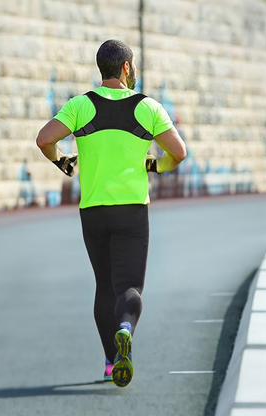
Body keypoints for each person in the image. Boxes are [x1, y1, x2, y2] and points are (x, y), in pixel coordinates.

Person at [36, 39, 186, 387]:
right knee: (129, 286)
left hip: (93, 210)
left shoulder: (79, 106)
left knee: (104, 286)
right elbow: (178, 152)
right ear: (126, 68)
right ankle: (125, 328)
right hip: (132, 210)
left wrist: (61, 160)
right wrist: (156, 165)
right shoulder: (148, 108)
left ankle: (110, 360)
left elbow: (44, 138)